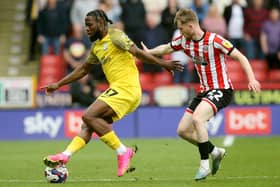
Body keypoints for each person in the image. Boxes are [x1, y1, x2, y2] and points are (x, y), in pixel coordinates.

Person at [41, 9, 183, 177]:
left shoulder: (116, 36)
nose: (87, 29)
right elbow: (83, 69)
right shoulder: (97, 47)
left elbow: (137, 53)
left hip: (127, 89)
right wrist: (58, 84)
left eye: (89, 25)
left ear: (101, 23)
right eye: (85, 26)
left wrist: (163, 63)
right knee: (89, 124)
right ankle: (65, 156)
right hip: (118, 90)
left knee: (88, 115)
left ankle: (123, 151)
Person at [141, 8, 261, 181]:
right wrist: (148, 52)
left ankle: (204, 165)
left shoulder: (215, 40)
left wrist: (252, 79)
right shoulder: (184, 41)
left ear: (191, 26)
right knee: (182, 131)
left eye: (181, 28)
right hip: (204, 91)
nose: (180, 32)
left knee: (198, 119)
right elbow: (166, 48)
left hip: (221, 89)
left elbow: (240, 56)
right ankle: (215, 151)